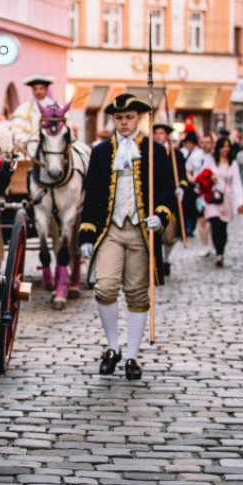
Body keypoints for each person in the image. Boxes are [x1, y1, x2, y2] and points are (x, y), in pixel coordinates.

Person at [78, 94, 175, 381]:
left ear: (139, 118)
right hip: (110, 229)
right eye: (119, 118)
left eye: (129, 117)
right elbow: (92, 195)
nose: (123, 122)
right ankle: (112, 347)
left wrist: (161, 214)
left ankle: (132, 355)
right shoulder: (100, 152)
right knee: (104, 287)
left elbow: (168, 191)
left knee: (136, 292)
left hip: (141, 232)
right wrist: (86, 233)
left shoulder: (156, 152)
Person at [199, 137, 243, 267]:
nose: (225, 149)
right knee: (215, 224)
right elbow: (202, 176)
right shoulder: (211, 161)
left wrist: (240, 202)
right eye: (223, 146)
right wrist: (210, 177)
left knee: (222, 228)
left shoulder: (233, 164)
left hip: (227, 199)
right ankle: (217, 250)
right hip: (213, 198)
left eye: (227, 146)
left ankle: (220, 252)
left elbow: (237, 183)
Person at [153, 124, 187, 277]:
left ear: (167, 135)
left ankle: (165, 258)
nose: (159, 136)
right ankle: (156, 261)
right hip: (153, 195)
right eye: (156, 133)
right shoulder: (150, 151)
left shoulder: (175, 154)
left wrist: (181, 187)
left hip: (170, 197)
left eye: (161, 133)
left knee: (169, 233)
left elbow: (182, 174)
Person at [187, 134, 216, 256]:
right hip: (199, 192)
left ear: (212, 144)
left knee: (213, 220)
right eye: (203, 142)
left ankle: (213, 243)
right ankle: (205, 245)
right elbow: (188, 170)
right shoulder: (195, 155)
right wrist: (192, 180)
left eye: (207, 142)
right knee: (202, 220)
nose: (205, 145)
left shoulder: (215, 157)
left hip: (213, 192)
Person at [9, 76, 60, 144]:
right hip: (30, 145)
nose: (38, 91)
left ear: (46, 89)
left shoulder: (56, 107)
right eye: (35, 89)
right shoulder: (24, 108)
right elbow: (16, 129)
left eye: (41, 89)